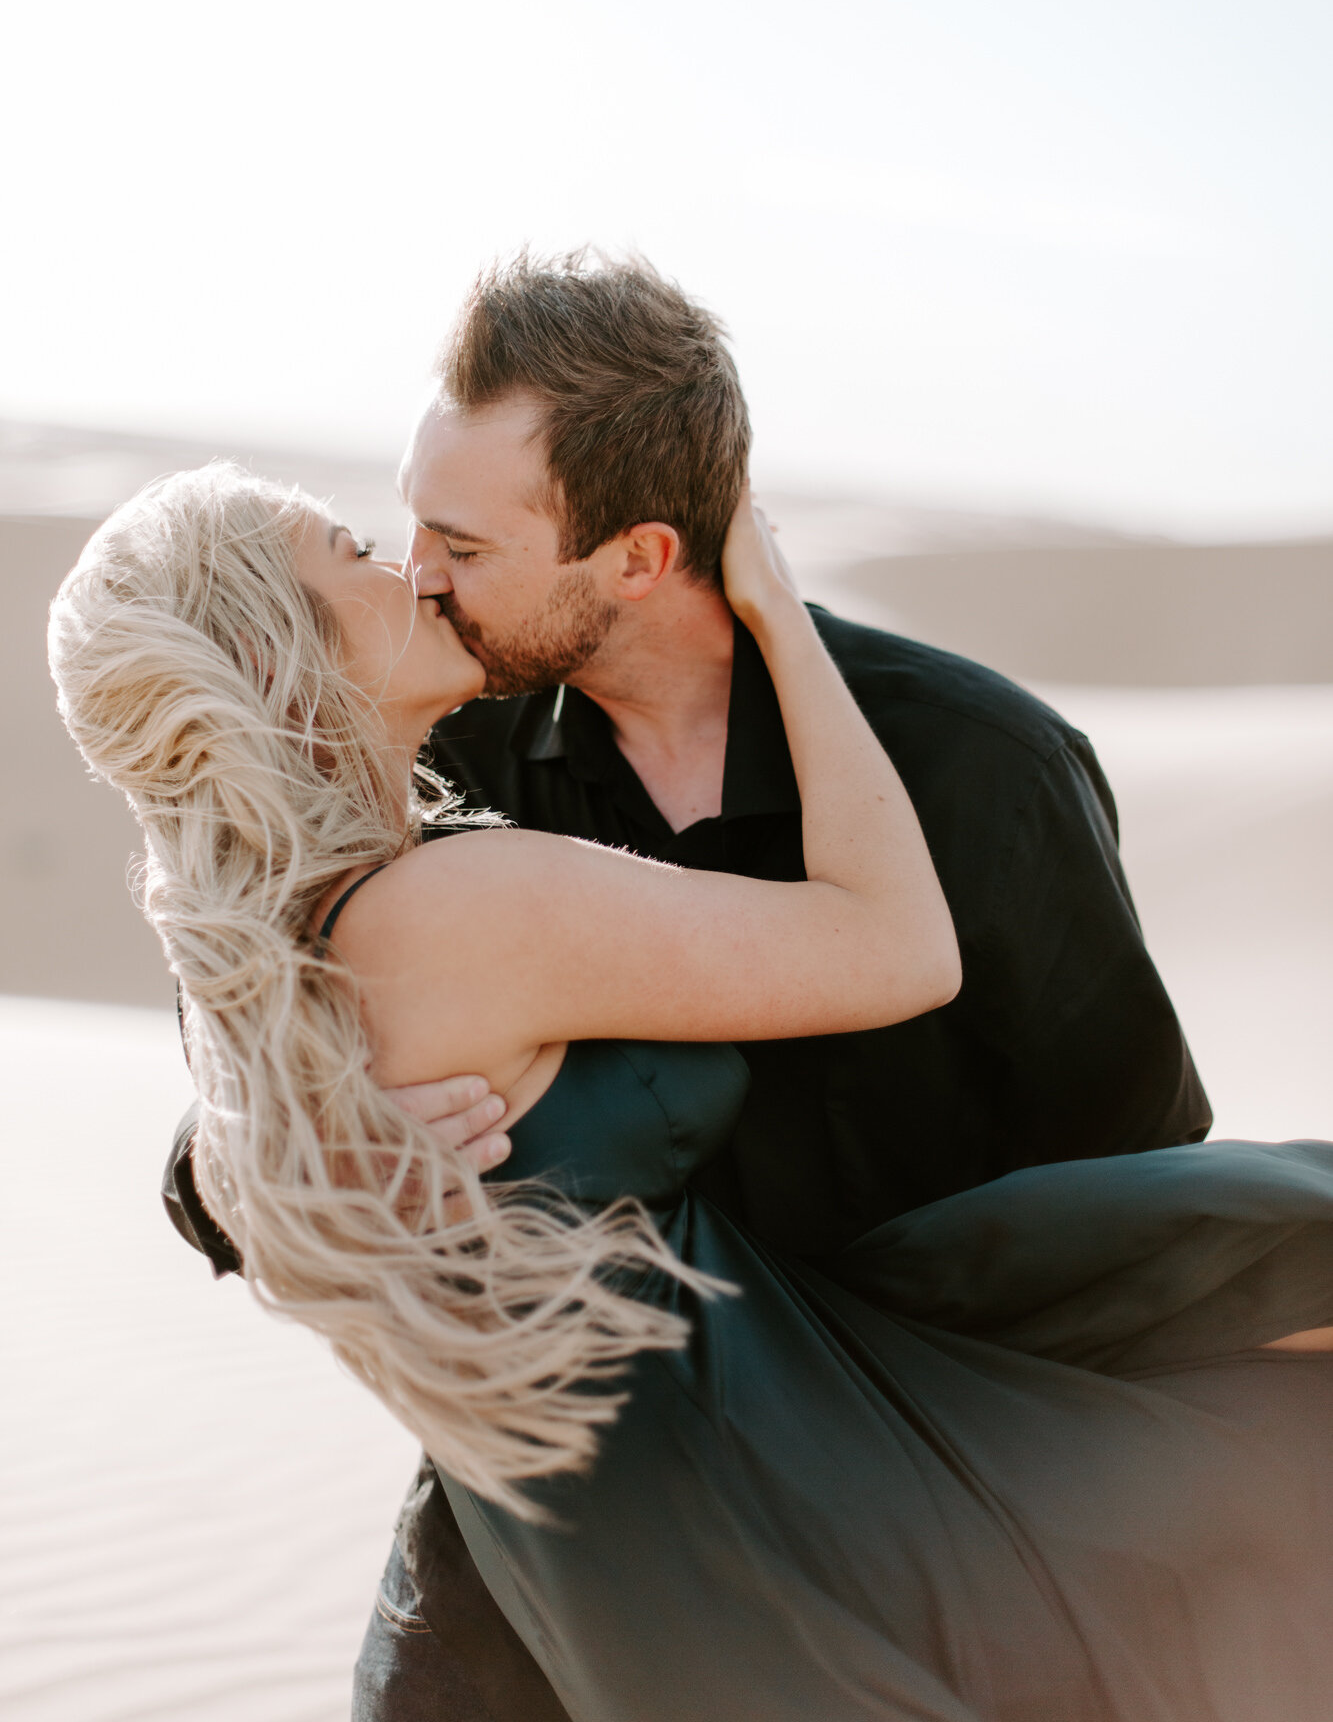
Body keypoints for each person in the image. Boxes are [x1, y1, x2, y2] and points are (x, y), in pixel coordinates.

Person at [52, 459, 1333, 1722]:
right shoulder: (449, 901)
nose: (412, 565)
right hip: (731, 1487)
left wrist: (265, 1152)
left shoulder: (315, 919)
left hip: (674, 1482)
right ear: (277, 654)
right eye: (350, 550)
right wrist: (782, 612)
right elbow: (893, 946)